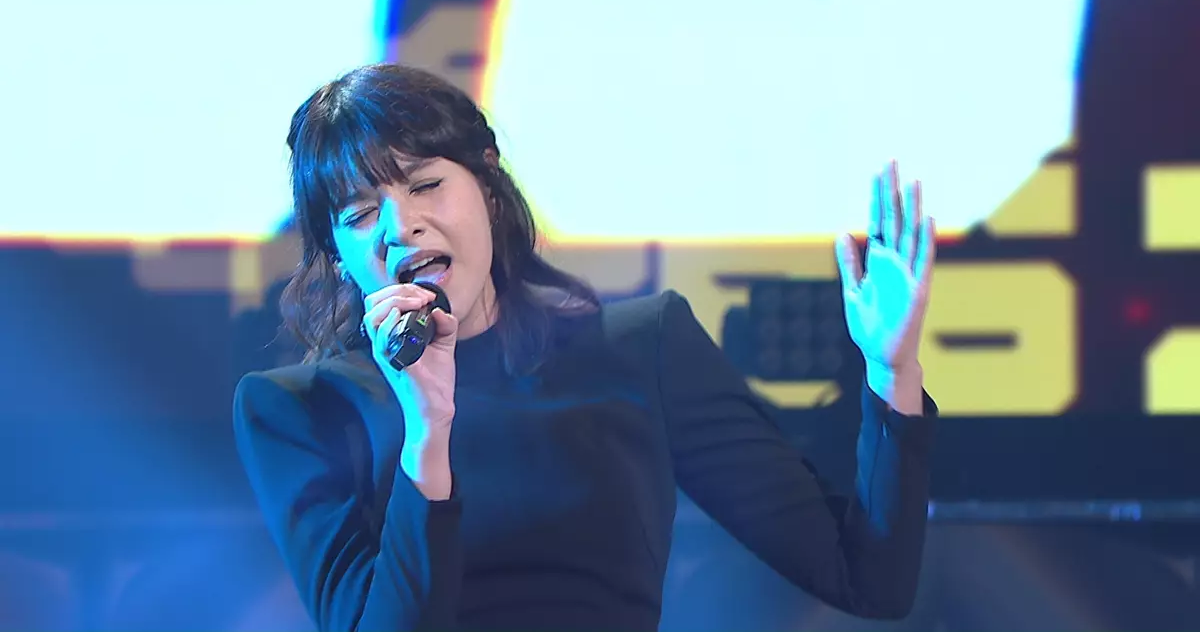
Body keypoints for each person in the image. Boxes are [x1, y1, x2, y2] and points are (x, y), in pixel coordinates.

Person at [232, 63, 939, 632]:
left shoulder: (642, 350)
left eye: (427, 184)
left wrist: (892, 369)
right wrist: (427, 430)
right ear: (338, 254)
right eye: (361, 213)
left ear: (487, 185)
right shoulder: (300, 411)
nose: (401, 226)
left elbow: (869, 578)